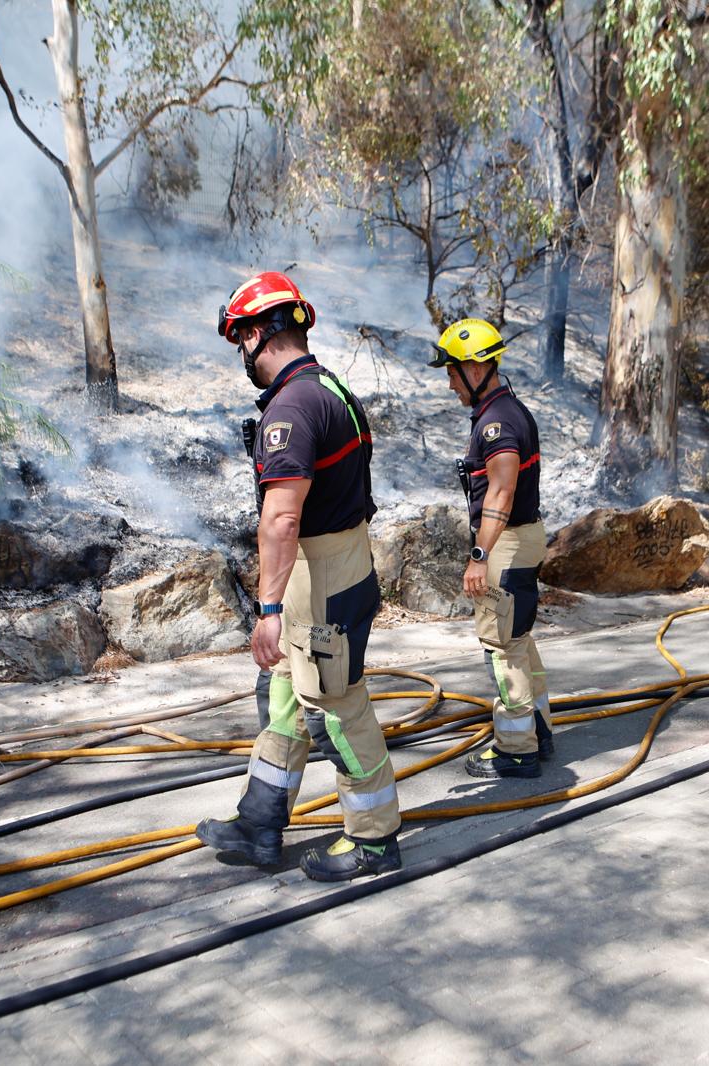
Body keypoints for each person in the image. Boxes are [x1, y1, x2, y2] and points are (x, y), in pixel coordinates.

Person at [195, 270, 403, 881]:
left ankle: (374, 839)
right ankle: (261, 821)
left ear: (262, 333)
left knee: (335, 707)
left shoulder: (290, 408)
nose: (243, 356)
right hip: (339, 563)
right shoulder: (330, 389)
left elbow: (281, 520)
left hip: (321, 579)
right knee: (284, 694)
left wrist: (268, 611)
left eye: (242, 342)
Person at [431, 318, 554, 779]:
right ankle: (538, 731)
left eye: (451, 371)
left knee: (502, 651)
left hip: (504, 546)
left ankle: (516, 749)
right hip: (522, 540)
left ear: (475, 368)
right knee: (520, 645)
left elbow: (501, 492)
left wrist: (479, 555)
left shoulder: (496, 423)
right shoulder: (510, 410)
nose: (449, 382)